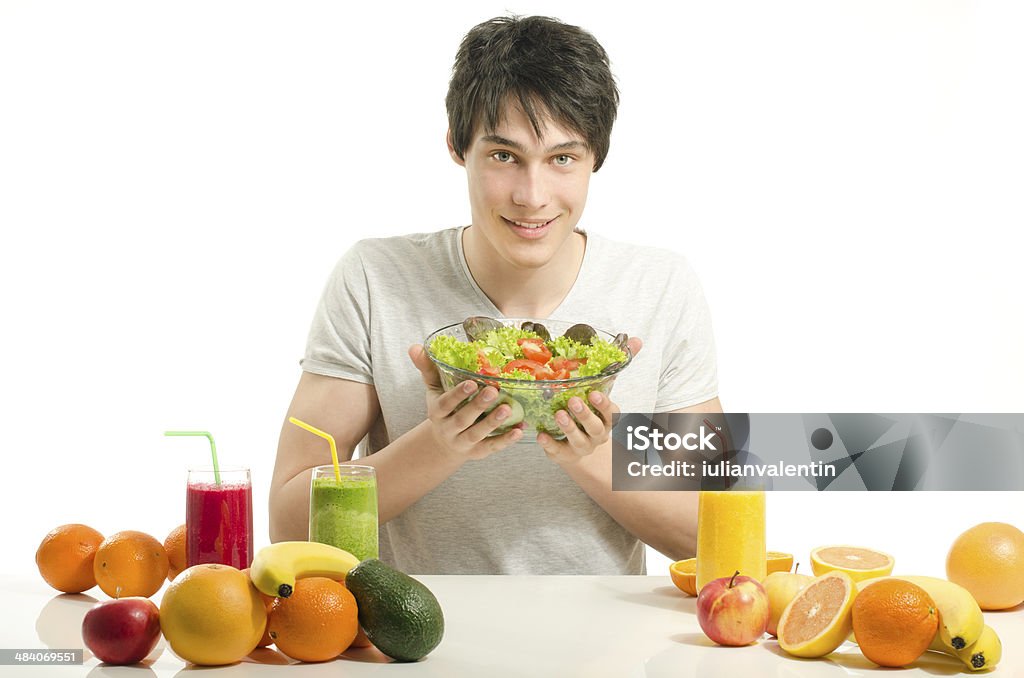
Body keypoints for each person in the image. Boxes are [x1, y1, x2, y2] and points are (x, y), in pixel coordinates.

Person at [269, 15, 721, 575]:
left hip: (601, 653)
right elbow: (287, 522)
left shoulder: (661, 286)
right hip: (415, 647)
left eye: (562, 158)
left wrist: (590, 454)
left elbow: (719, 537)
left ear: (595, 159)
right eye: (504, 156)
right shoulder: (373, 276)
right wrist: (439, 444)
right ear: (459, 148)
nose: (532, 196)